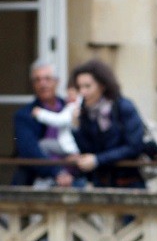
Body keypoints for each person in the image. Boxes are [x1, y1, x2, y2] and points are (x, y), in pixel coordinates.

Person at [70, 60, 147, 189]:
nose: (83, 92)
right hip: (101, 183)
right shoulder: (85, 112)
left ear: (102, 86)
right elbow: (87, 150)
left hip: (128, 183)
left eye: (87, 86)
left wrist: (98, 160)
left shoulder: (123, 106)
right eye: (79, 87)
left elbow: (134, 146)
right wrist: (76, 126)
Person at [11, 61, 81, 188]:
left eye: (47, 79)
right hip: (38, 178)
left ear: (56, 81)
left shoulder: (70, 108)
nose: (42, 84)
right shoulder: (25, 115)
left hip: (74, 177)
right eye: (37, 80)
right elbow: (29, 150)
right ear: (33, 84)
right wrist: (57, 172)